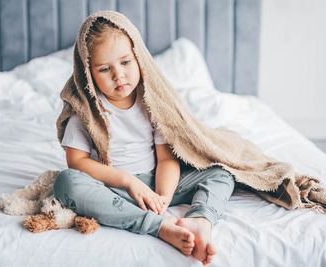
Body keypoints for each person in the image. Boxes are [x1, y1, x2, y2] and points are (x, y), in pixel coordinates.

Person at [53, 11, 235, 266]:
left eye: (126, 62)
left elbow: (166, 158)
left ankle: (200, 219)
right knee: (66, 183)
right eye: (105, 69)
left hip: (156, 181)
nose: (119, 76)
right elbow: (77, 162)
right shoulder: (87, 111)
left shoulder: (152, 103)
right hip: (113, 188)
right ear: (88, 72)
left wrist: (163, 198)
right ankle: (158, 226)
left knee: (221, 172)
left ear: (139, 57)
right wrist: (128, 182)